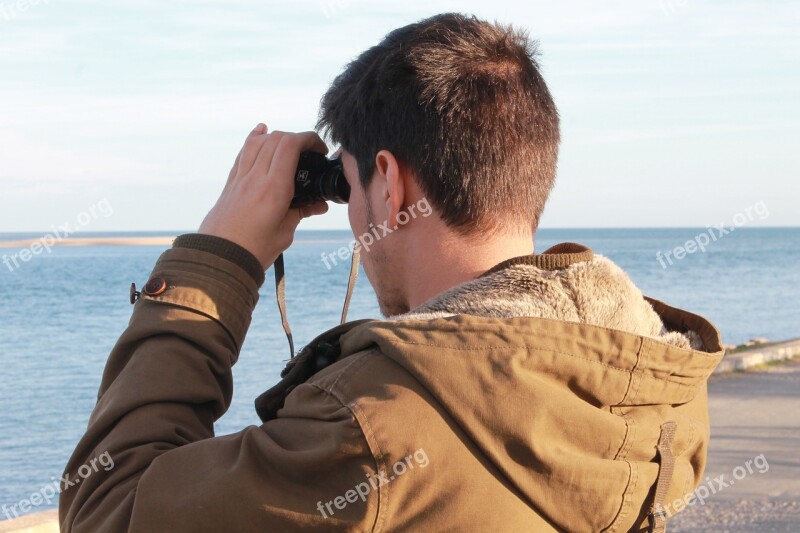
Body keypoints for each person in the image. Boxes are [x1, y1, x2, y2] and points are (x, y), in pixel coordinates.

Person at [59, 12, 723, 532]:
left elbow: (106, 507)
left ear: (389, 182)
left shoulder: (374, 430)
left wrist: (217, 258)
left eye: (350, 187)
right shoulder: (650, 380)